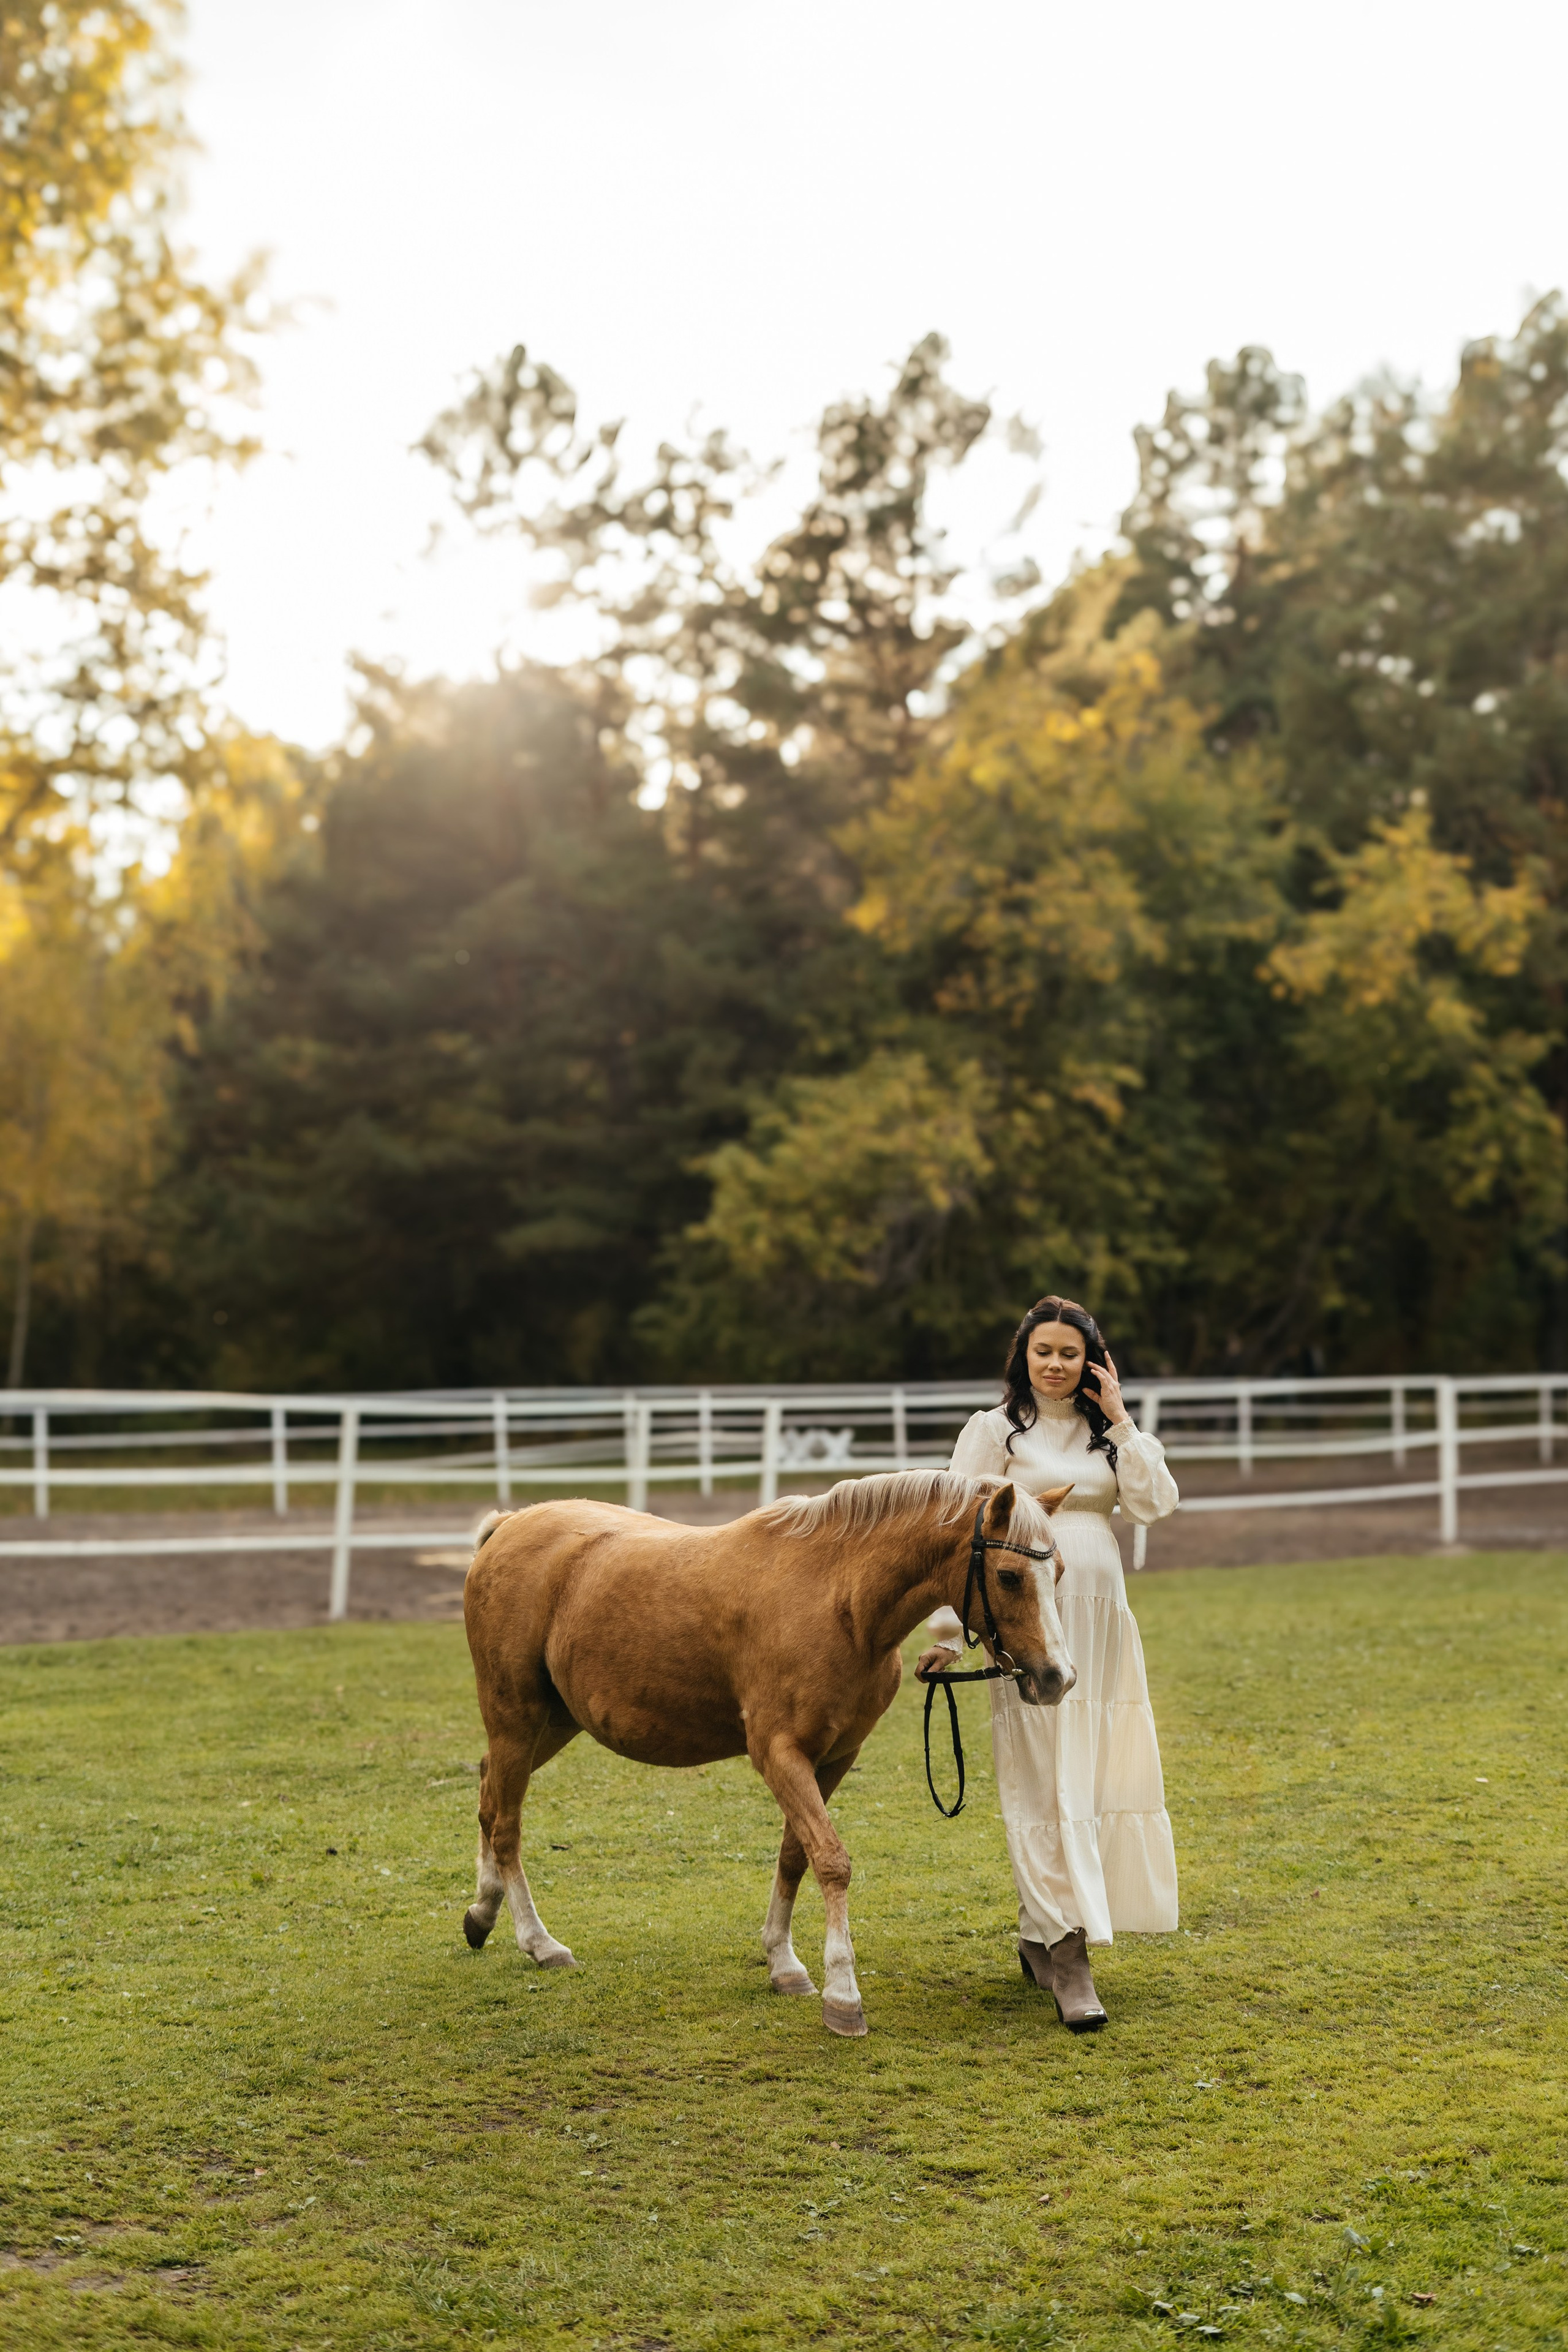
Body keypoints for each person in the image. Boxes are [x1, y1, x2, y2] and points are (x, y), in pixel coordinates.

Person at [919, 1295, 1178, 2030]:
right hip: (1028, 1620)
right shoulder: (993, 1432)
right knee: (1042, 1776)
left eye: (1070, 1353)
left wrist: (1122, 1418)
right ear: (1022, 1358)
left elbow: (1157, 1503)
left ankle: (1039, 1934)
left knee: (1091, 1775)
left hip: (1101, 1624)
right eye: (1043, 1352)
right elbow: (955, 1529)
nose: (1056, 1365)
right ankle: (1068, 1955)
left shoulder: (1108, 1440)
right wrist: (945, 1631)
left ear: (1091, 1362)